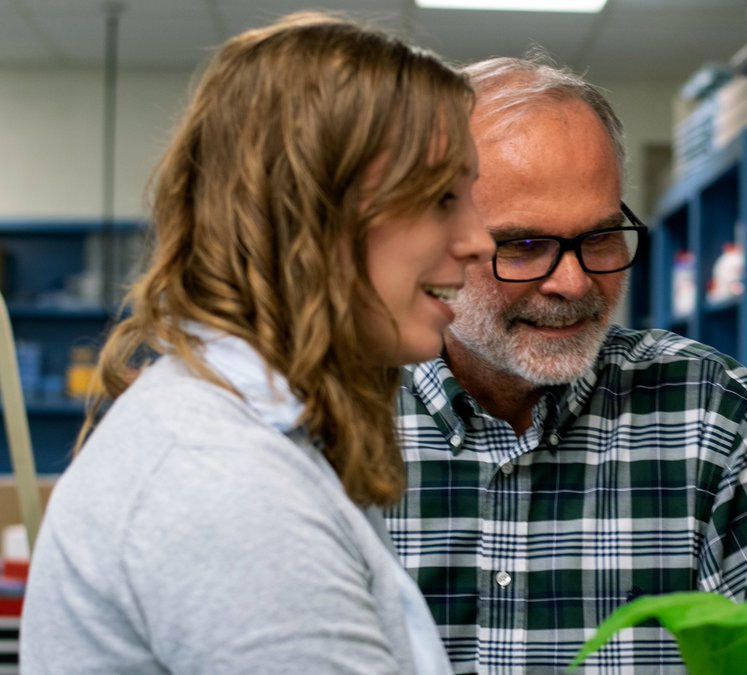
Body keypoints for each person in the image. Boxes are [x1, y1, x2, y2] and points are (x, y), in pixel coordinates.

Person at [20, 12, 493, 674]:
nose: (481, 239)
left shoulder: (253, 433)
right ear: (311, 210)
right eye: (442, 196)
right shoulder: (225, 482)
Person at [385, 56, 747, 673]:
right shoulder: (339, 412)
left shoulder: (709, 408)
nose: (573, 282)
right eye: (523, 246)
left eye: (599, 237)